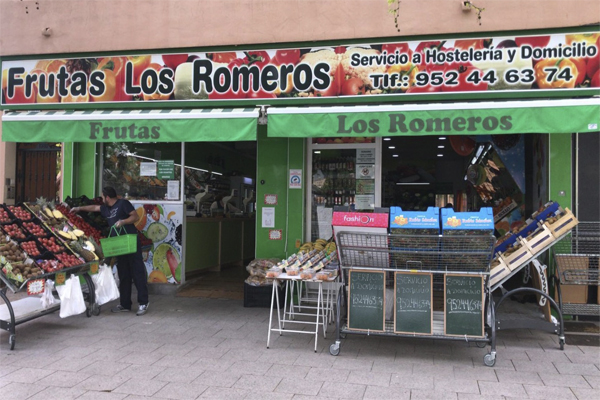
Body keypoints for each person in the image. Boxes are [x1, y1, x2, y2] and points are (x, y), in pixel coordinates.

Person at [72, 186, 149, 316]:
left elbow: (135, 216)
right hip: (118, 244)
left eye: (103, 197)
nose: (102, 199)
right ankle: (125, 304)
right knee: (123, 273)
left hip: (130, 241)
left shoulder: (123, 203)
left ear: (107, 197)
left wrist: (123, 221)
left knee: (137, 272)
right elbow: (94, 208)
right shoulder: (106, 208)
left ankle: (143, 302)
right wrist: (78, 209)